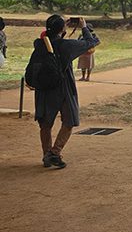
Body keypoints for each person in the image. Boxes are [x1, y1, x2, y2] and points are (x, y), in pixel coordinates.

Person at [31, 15, 100, 168]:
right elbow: (91, 43)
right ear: (62, 29)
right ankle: (55, 153)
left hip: (44, 88)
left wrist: (61, 29)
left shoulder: (41, 43)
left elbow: (51, 39)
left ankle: (46, 154)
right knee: (69, 120)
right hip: (63, 87)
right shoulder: (65, 45)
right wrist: (83, 27)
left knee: (45, 123)